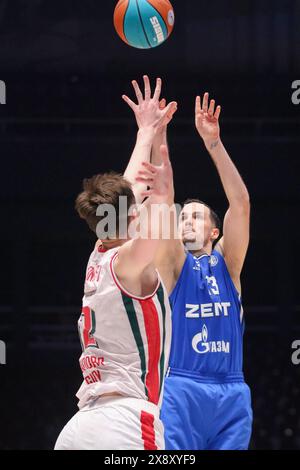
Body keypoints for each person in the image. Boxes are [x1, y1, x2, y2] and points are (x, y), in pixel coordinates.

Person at [125, 83, 253, 450]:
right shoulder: (173, 265)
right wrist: (158, 132)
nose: (186, 221)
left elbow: (240, 202)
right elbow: (162, 202)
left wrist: (213, 143)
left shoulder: (228, 265)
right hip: (181, 386)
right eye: (184, 217)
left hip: (232, 390)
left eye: (196, 217)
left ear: (215, 230)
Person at [54, 84, 176, 450]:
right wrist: (166, 194)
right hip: (124, 423)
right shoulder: (128, 263)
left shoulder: (99, 253)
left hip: (80, 427)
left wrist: (147, 131)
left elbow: (131, 186)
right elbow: (156, 221)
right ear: (133, 216)